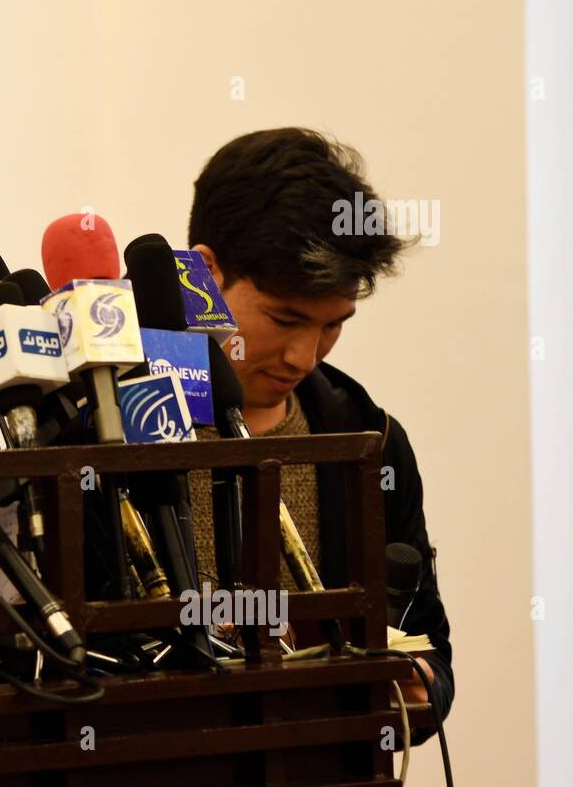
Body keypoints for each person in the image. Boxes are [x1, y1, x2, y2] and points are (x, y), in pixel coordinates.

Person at [185, 127, 454, 741]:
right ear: (203, 275)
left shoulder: (369, 438)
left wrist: (418, 683)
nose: (305, 356)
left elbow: (432, 659)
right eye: (285, 319)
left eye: (333, 326)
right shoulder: (109, 431)